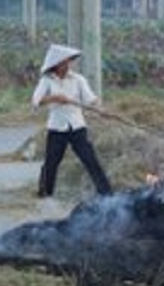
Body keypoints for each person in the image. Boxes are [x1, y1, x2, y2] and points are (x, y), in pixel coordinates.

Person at [32, 44, 112, 198]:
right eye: (64, 62)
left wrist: (101, 109)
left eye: (68, 62)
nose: (67, 65)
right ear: (56, 64)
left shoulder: (78, 79)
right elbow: (36, 100)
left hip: (77, 126)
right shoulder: (47, 81)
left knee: (90, 159)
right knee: (51, 163)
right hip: (57, 128)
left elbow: (91, 99)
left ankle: (106, 193)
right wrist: (55, 98)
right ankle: (45, 193)